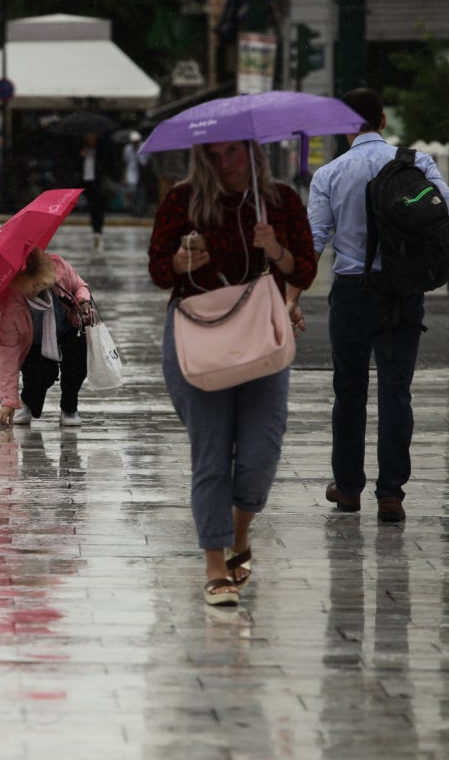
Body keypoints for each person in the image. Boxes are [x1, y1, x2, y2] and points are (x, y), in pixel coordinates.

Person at [148, 139, 317, 606]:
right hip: (197, 335)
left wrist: (275, 249)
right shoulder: (182, 200)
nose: (225, 162)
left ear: (252, 151)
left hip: (260, 331)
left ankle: (239, 532)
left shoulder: (278, 199)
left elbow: (305, 265)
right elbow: (159, 270)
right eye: (213, 154)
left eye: (233, 152)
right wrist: (179, 263)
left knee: (261, 450)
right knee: (211, 452)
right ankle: (214, 565)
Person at [295, 87, 449, 523]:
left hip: (351, 293)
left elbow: (312, 243)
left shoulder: (328, 174)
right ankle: (391, 494)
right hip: (404, 291)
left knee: (348, 392)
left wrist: (289, 296)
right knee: (395, 391)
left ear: (344, 126)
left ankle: (348, 489)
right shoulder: (415, 163)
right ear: (383, 121)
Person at [0, 247, 95, 429]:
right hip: (34, 345)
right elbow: (8, 354)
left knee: (78, 358)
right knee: (42, 372)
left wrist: (81, 301)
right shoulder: (11, 305)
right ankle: (27, 402)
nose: (37, 289)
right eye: (31, 286)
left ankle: (69, 409)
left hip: (67, 332)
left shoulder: (60, 270)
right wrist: (9, 401)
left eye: (40, 284)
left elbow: (80, 286)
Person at [80, 133, 107, 251]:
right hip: (87, 182)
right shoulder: (82, 149)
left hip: (99, 183)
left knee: (99, 207)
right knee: (91, 207)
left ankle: (98, 230)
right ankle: (95, 229)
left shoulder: (102, 150)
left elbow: (107, 165)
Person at [122, 130, 149, 216]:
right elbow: (126, 161)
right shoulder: (127, 149)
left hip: (142, 174)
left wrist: (138, 152)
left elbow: (144, 162)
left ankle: (140, 211)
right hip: (132, 173)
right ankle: (133, 210)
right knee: (132, 193)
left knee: (142, 192)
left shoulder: (144, 147)